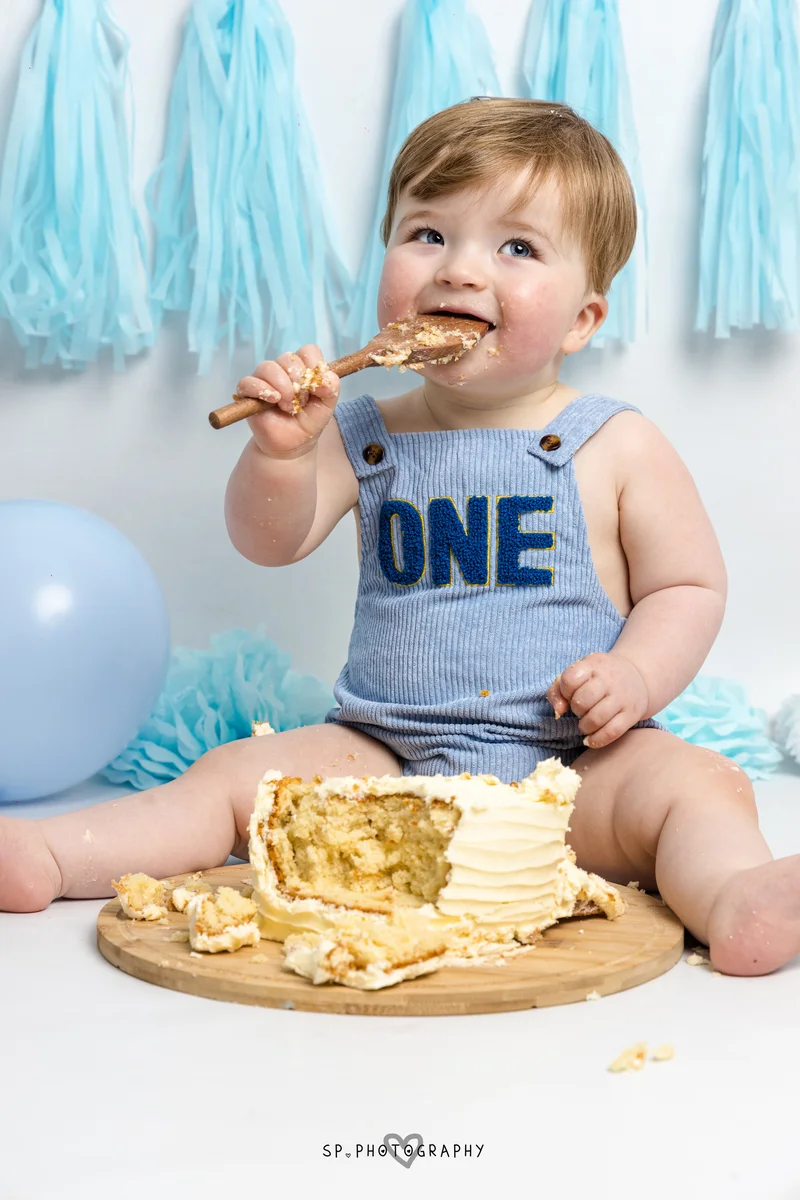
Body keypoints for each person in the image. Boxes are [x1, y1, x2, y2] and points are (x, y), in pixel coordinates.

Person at [2, 99, 795, 977]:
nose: (459, 270)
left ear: (582, 319)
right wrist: (282, 454)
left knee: (698, 789)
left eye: (518, 248)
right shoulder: (364, 429)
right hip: (384, 761)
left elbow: (689, 588)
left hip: (571, 771)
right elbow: (273, 540)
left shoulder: (613, 442)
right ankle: (53, 853)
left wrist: (637, 675)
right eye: (426, 233)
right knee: (233, 781)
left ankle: (733, 898)